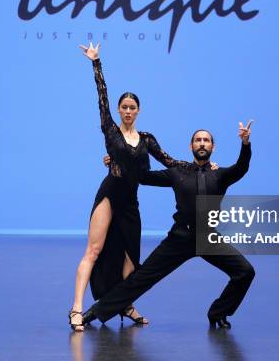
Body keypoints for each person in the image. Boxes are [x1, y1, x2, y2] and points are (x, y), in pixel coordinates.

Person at [69, 43, 216, 331]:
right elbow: (101, 96)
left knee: (131, 263)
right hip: (110, 195)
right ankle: (76, 308)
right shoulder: (110, 130)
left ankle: (125, 304)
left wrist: (201, 165)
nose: (127, 111)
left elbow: (169, 161)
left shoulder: (147, 138)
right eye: (123, 107)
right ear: (118, 110)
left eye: (131, 107)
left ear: (138, 111)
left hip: (131, 201)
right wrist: (96, 63)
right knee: (93, 250)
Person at [83, 122, 255, 329]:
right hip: (180, 238)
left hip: (208, 239)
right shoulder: (176, 172)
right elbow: (143, 177)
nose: (202, 143)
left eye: (206, 140)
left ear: (213, 147)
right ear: (191, 147)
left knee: (245, 271)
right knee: (142, 278)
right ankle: (96, 311)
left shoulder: (221, 175)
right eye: (198, 140)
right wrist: (117, 161)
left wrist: (245, 143)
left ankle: (218, 312)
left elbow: (241, 168)